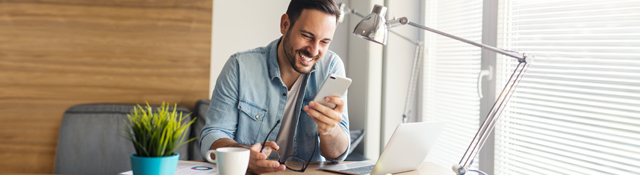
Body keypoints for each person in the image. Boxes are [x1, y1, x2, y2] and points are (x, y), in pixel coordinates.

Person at [199, 0, 350, 174]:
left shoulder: (332, 68)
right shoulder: (239, 66)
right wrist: (244, 154)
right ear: (285, 24)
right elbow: (212, 135)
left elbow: (338, 155)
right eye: (307, 36)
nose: (314, 50)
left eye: (324, 42)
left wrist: (330, 130)